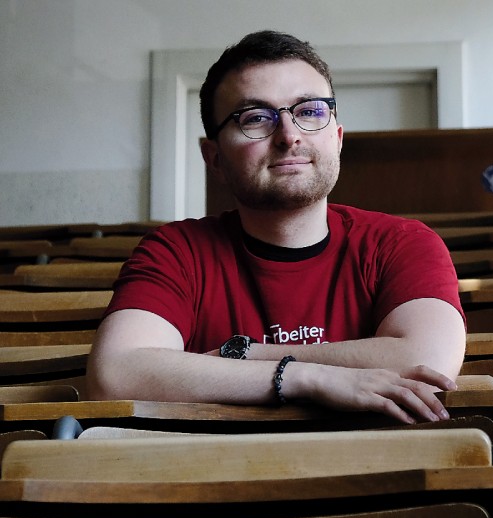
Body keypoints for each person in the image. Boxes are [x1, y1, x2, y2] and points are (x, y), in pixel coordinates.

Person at [87, 31, 466, 425]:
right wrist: (305, 377)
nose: (289, 136)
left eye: (310, 111)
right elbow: (115, 376)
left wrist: (243, 353)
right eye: (255, 118)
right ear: (213, 158)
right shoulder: (177, 250)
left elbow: (425, 362)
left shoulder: (403, 243)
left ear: (337, 138)